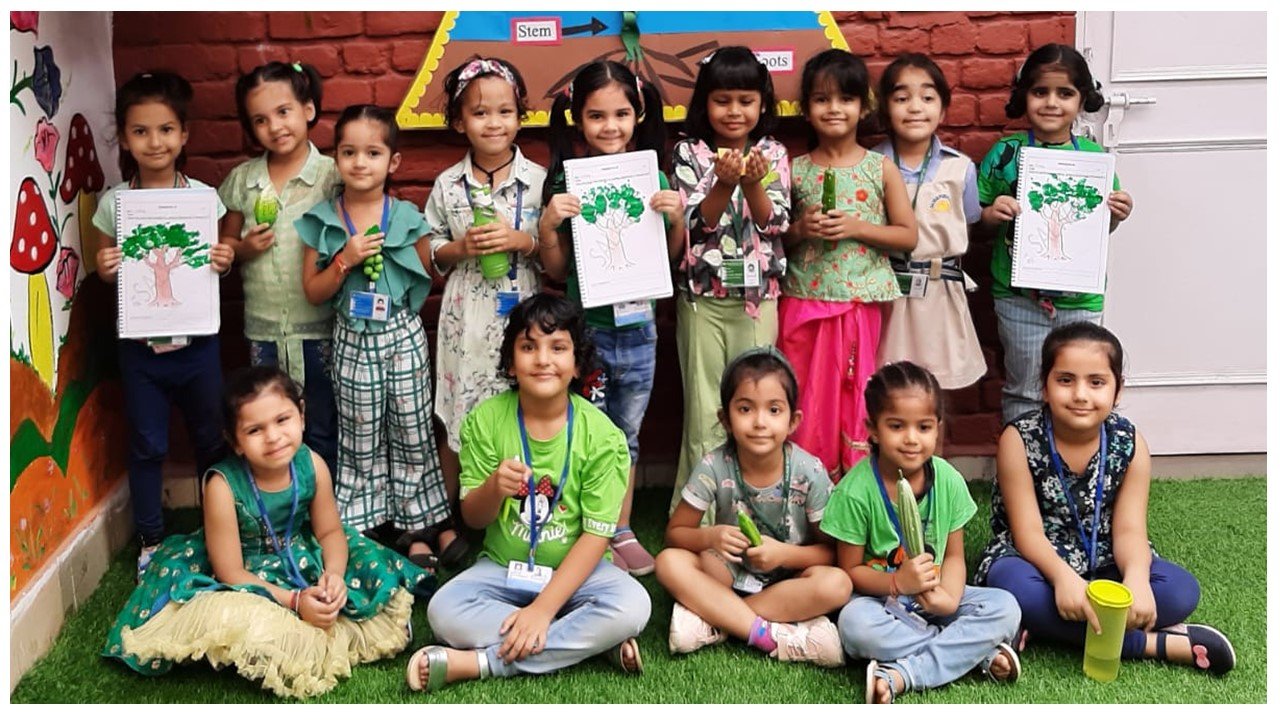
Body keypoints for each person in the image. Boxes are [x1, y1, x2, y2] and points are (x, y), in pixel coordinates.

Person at [102, 366, 431, 698]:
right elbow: (230, 571)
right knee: (237, 619)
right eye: (255, 429)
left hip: (302, 553)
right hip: (246, 574)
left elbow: (331, 531)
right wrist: (295, 600)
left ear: (301, 415)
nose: (273, 436)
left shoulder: (313, 465)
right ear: (235, 441)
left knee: (362, 569)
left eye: (282, 420)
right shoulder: (221, 486)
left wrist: (334, 577)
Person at [409, 294, 652, 691]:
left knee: (634, 605)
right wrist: (493, 488)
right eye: (528, 347)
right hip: (504, 568)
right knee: (443, 612)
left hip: (579, 575)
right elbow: (473, 518)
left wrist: (542, 610)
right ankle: (588, 641)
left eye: (558, 348)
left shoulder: (603, 437)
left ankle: (481, 663)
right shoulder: (485, 421)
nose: (542, 359)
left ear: (577, 364)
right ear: (510, 362)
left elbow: (596, 537)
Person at [974, 323, 1235, 675]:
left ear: (1118, 389)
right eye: (1065, 380)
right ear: (1044, 386)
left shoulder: (1130, 443)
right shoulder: (1018, 439)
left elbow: (1129, 530)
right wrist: (1063, 579)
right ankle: (1153, 644)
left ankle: (1040, 627)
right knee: (1013, 589)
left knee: (1180, 591)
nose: (1081, 394)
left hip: (1105, 558)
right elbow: (1027, 532)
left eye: (1096, 382)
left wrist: (1137, 580)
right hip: (1035, 560)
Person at [537, 60, 686, 576]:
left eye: (621, 114)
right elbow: (556, 270)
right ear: (578, 119)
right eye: (596, 115)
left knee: (626, 435)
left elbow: (669, 259)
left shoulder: (653, 177)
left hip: (640, 329)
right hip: (587, 331)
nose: (610, 126)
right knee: (583, 430)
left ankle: (619, 528)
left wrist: (676, 218)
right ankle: (584, 528)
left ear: (638, 114)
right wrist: (548, 226)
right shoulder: (567, 182)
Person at [91, 70, 234, 577]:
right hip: (141, 351)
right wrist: (106, 266)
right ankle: (151, 538)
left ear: (184, 134)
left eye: (166, 129)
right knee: (147, 443)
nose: (155, 142)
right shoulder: (114, 204)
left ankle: (219, 531)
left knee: (211, 439)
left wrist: (223, 258)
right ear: (124, 138)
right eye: (141, 131)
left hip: (198, 347)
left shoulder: (204, 198)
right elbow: (106, 269)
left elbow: (214, 261)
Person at [297, 104, 448, 567]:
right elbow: (313, 291)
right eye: (348, 152)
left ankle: (418, 525)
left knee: (412, 428)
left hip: (402, 334)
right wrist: (344, 259)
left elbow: (425, 276)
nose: (360, 162)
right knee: (359, 432)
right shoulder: (323, 220)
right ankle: (364, 524)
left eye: (373, 153)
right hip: (351, 338)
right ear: (335, 158)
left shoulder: (406, 216)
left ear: (393, 161)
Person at [823, 360, 1022, 703]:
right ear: (873, 429)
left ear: (937, 428)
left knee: (1006, 607)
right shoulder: (855, 492)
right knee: (855, 625)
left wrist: (950, 598)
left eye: (924, 427)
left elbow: (955, 556)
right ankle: (975, 655)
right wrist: (897, 583)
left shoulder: (949, 480)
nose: (912, 439)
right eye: (896, 426)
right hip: (882, 601)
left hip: (936, 594)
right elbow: (851, 571)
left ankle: (903, 674)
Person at [422, 56, 546, 567]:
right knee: (460, 413)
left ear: (520, 116)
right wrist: (459, 248)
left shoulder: (539, 180)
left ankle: (522, 511)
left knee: (520, 409)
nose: (493, 123)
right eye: (479, 113)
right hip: (465, 317)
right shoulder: (447, 184)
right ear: (459, 122)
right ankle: (451, 515)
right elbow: (430, 249)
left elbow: (557, 254)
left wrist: (523, 240)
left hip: (521, 310)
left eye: (504, 111)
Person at [655, 347, 849, 667]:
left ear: (793, 420)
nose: (760, 422)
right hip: (728, 571)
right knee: (668, 562)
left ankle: (718, 619)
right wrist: (711, 536)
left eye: (774, 410)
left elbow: (833, 553)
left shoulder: (809, 471)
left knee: (837, 584)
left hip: (791, 580)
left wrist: (784, 554)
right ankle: (768, 633)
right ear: (726, 419)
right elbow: (675, 534)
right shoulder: (713, 466)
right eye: (745, 409)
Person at [975, 43, 1135, 423]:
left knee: (1079, 389)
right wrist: (992, 214)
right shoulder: (1005, 153)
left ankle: (1069, 456)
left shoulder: (1095, 159)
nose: (1051, 102)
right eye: (1040, 91)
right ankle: (1021, 459)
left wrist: (1117, 214)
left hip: (1080, 299)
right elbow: (976, 219)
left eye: (1065, 93)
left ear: (1082, 99)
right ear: (1024, 96)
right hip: (1019, 299)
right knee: (1025, 390)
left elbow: (1099, 229)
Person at [780, 49, 918, 480]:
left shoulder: (880, 168)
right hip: (803, 299)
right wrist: (801, 229)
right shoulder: (793, 170)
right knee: (807, 392)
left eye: (846, 99)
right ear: (806, 109)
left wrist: (858, 227)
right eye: (821, 99)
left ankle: (855, 481)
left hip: (860, 302)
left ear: (864, 106)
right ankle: (806, 480)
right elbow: (775, 239)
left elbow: (907, 235)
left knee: (854, 391)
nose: (834, 109)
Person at [668, 47, 792, 514]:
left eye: (746, 100)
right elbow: (695, 225)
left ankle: (755, 508)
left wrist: (752, 182)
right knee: (704, 411)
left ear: (762, 103)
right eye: (722, 100)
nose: (734, 111)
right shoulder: (688, 152)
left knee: (757, 403)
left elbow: (776, 223)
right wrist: (723, 182)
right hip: (701, 298)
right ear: (705, 103)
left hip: (758, 299)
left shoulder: (773, 152)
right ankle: (696, 519)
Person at [219, 61, 341, 474]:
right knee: (271, 424)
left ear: (308, 109)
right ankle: (281, 496)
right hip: (265, 328)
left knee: (322, 420)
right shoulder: (243, 180)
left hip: (320, 326)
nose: (275, 126)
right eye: (260, 120)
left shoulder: (331, 176)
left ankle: (325, 498)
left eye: (283, 111)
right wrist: (244, 248)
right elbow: (224, 246)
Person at [871, 53, 986, 389]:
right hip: (887, 291)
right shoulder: (870, 164)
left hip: (940, 291)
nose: (915, 108)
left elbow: (971, 222)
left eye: (927, 97)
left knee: (937, 388)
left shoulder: (960, 168)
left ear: (943, 109)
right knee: (885, 386)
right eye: (902, 98)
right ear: (885, 108)